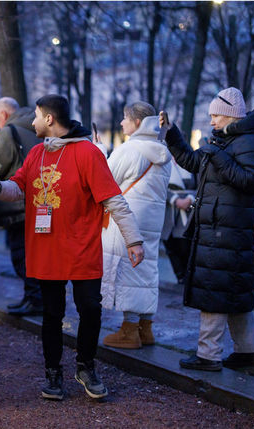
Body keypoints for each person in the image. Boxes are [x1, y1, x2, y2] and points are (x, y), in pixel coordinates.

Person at [0, 94, 144, 401]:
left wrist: (134, 239)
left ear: (49, 119)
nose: (32, 121)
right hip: (46, 249)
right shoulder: (36, 153)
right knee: (51, 313)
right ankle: (53, 373)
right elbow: (16, 189)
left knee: (90, 308)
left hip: (82, 249)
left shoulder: (88, 153)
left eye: (36, 116)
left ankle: (85, 367)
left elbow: (113, 199)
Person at [160, 87, 254, 371]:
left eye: (215, 115)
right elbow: (193, 162)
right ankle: (247, 352)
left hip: (227, 232)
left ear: (230, 115)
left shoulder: (248, 142)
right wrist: (172, 133)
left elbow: (251, 179)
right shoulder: (226, 140)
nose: (210, 122)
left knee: (214, 292)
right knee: (233, 291)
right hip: (222, 231)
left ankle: (208, 355)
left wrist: (219, 157)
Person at [101, 102, 171, 349]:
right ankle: (146, 329)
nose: (121, 123)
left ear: (138, 122)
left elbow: (105, 180)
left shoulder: (129, 150)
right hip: (153, 220)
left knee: (128, 271)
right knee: (147, 270)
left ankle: (129, 331)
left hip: (128, 218)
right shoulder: (163, 151)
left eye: (125, 118)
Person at [0, 97, 42, 316]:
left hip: (18, 206)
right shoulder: (34, 127)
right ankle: (33, 297)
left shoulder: (9, 131)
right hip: (40, 203)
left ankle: (34, 299)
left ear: (3, 114)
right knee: (36, 254)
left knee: (21, 254)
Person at [161, 160, 196, 285]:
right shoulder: (164, 163)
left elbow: (201, 185)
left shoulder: (192, 163)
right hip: (168, 210)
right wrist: (174, 199)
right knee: (170, 245)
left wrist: (190, 198)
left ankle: (186, 278)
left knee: (185, 246)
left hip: (187, 211)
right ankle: (180, 277)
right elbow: (157, 184)